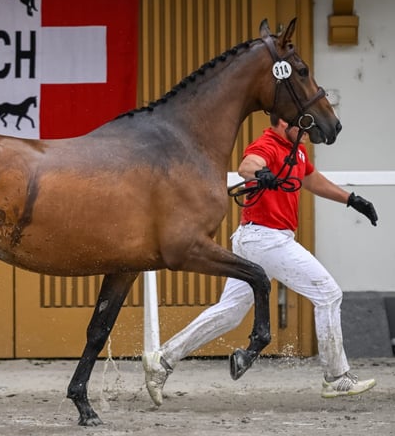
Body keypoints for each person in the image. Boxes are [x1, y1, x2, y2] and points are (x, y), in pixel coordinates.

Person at [143, 114, 379, 405]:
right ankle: (336, 378)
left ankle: (162, 359)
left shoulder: (297, 149)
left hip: (257, 239)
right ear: (282, 123)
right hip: (266, 239)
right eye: (302, 126)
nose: (308, 131)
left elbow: (310, 178)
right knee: (328, 294)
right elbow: (247, 165)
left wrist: (350, 199)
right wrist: (261, 174)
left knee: (230, 312)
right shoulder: (267, 143)